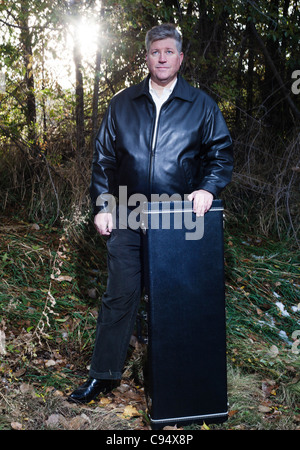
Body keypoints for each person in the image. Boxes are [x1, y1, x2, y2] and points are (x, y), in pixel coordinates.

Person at [68, 23, 233, 404]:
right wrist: (102, 204)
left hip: (176, 219)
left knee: (174, 298)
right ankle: (104, 375)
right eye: (155, 51)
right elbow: (104, 159)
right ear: (146, 57)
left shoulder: (201, 106)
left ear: (180, 58)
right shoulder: (123, 103)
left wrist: (208, 188)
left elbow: (220, 154)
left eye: (169, 52)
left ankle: (174, 380)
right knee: (120, 294)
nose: (162, 58)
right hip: (127, 212)